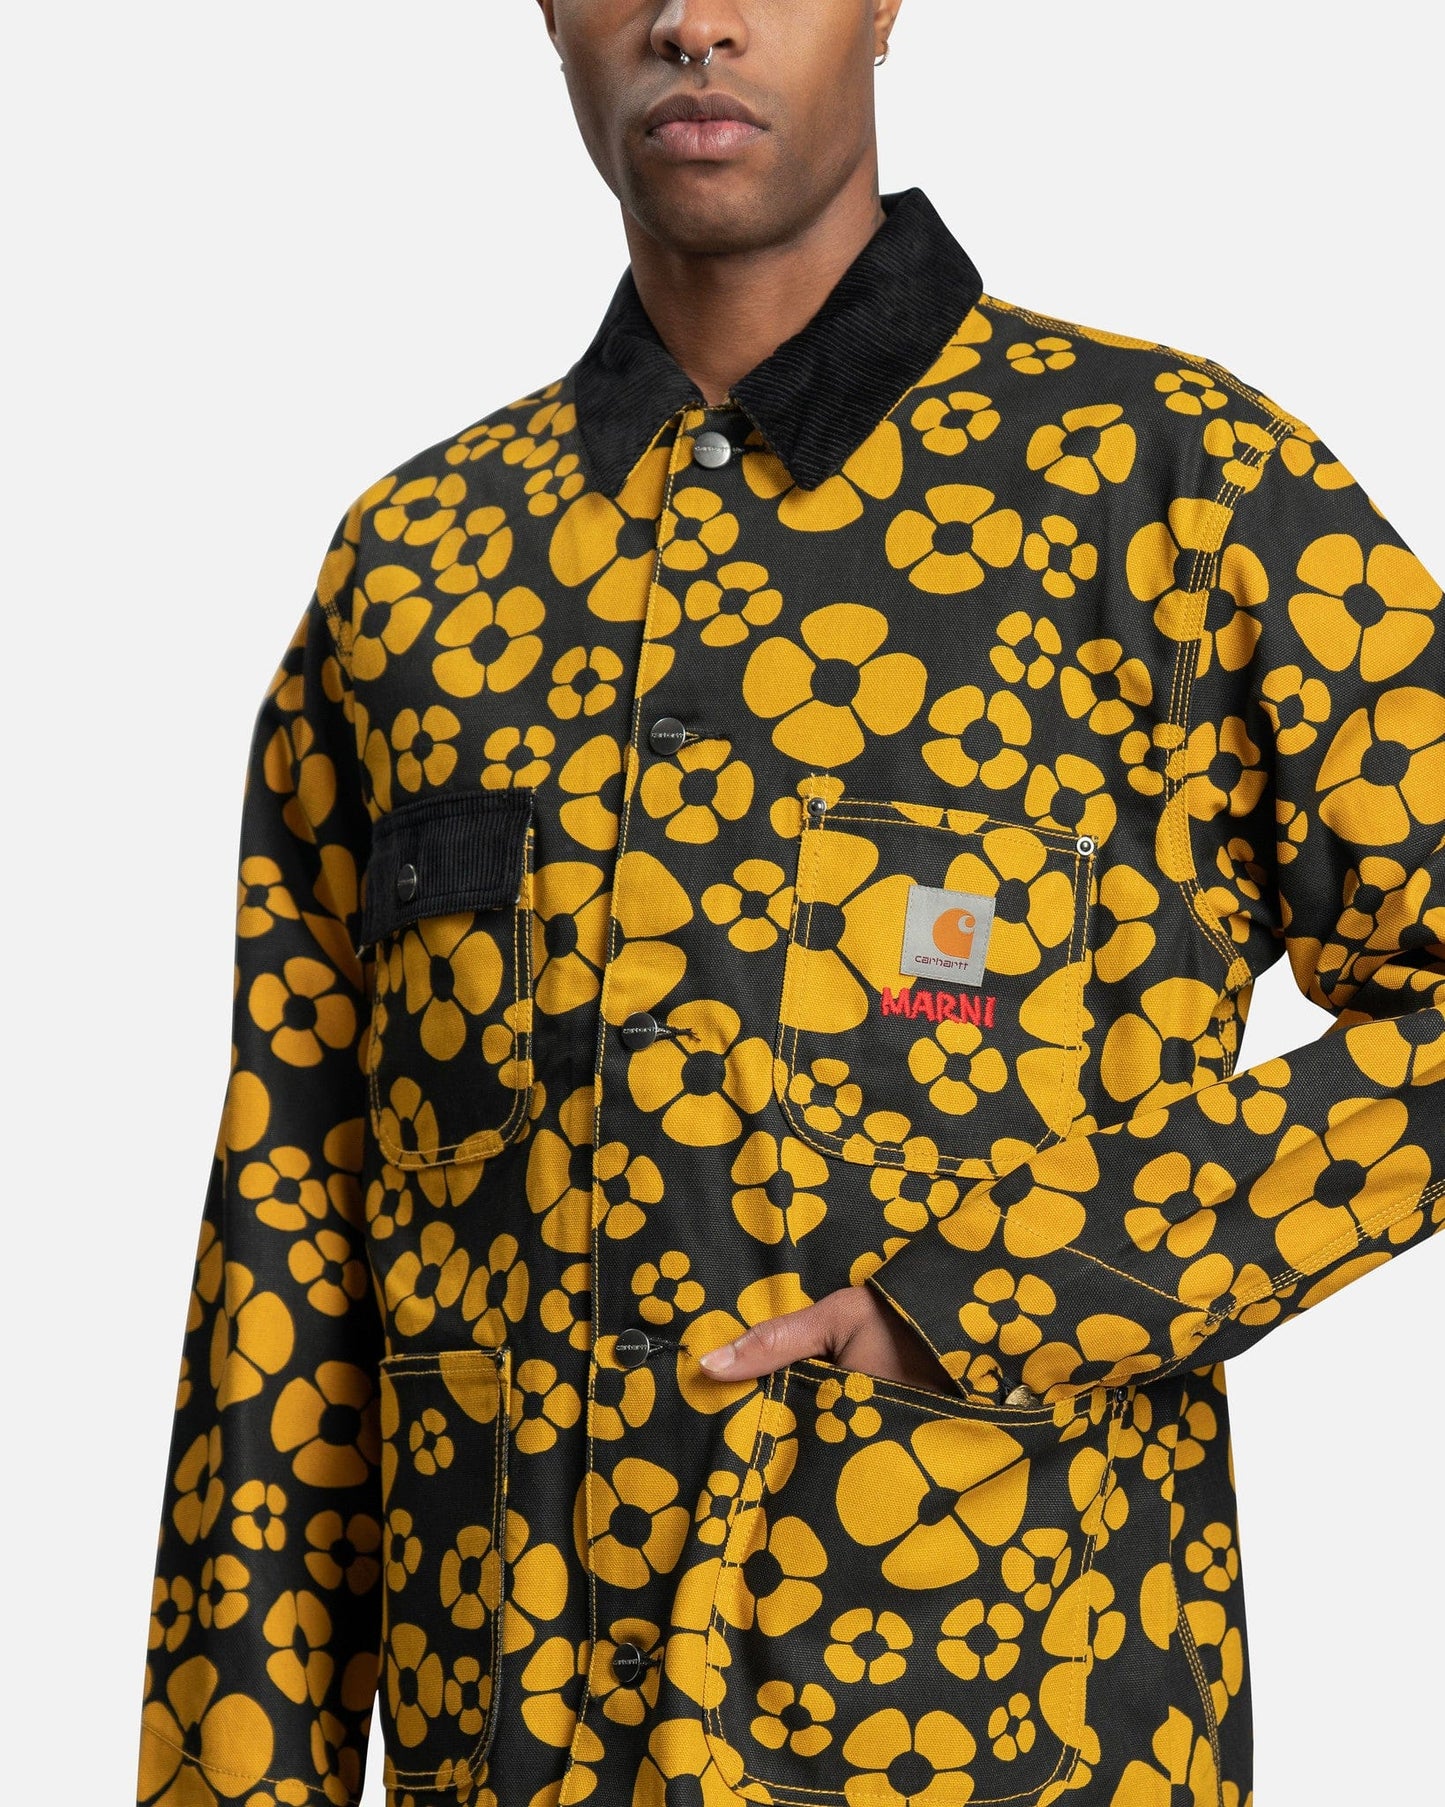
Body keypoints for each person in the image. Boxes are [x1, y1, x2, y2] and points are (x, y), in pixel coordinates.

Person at [135, 3, 1445, 1804]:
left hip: (1008, 1737)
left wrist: (1003, 1292)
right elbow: (288, 1238)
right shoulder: (418, 567)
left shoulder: (1169, 490)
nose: (693, 17)